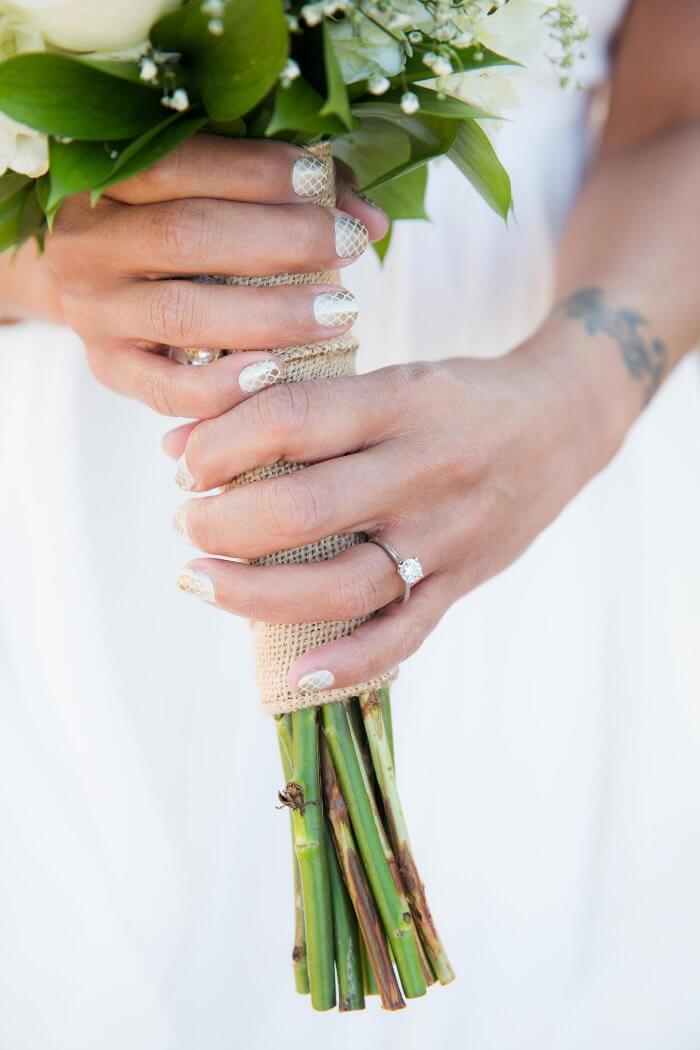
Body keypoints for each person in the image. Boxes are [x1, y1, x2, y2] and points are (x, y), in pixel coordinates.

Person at [0, 0, 698, 1046]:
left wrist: (570, 403)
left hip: (521, 422)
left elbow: (681, 104)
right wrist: (35, 253)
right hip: (100, 474)